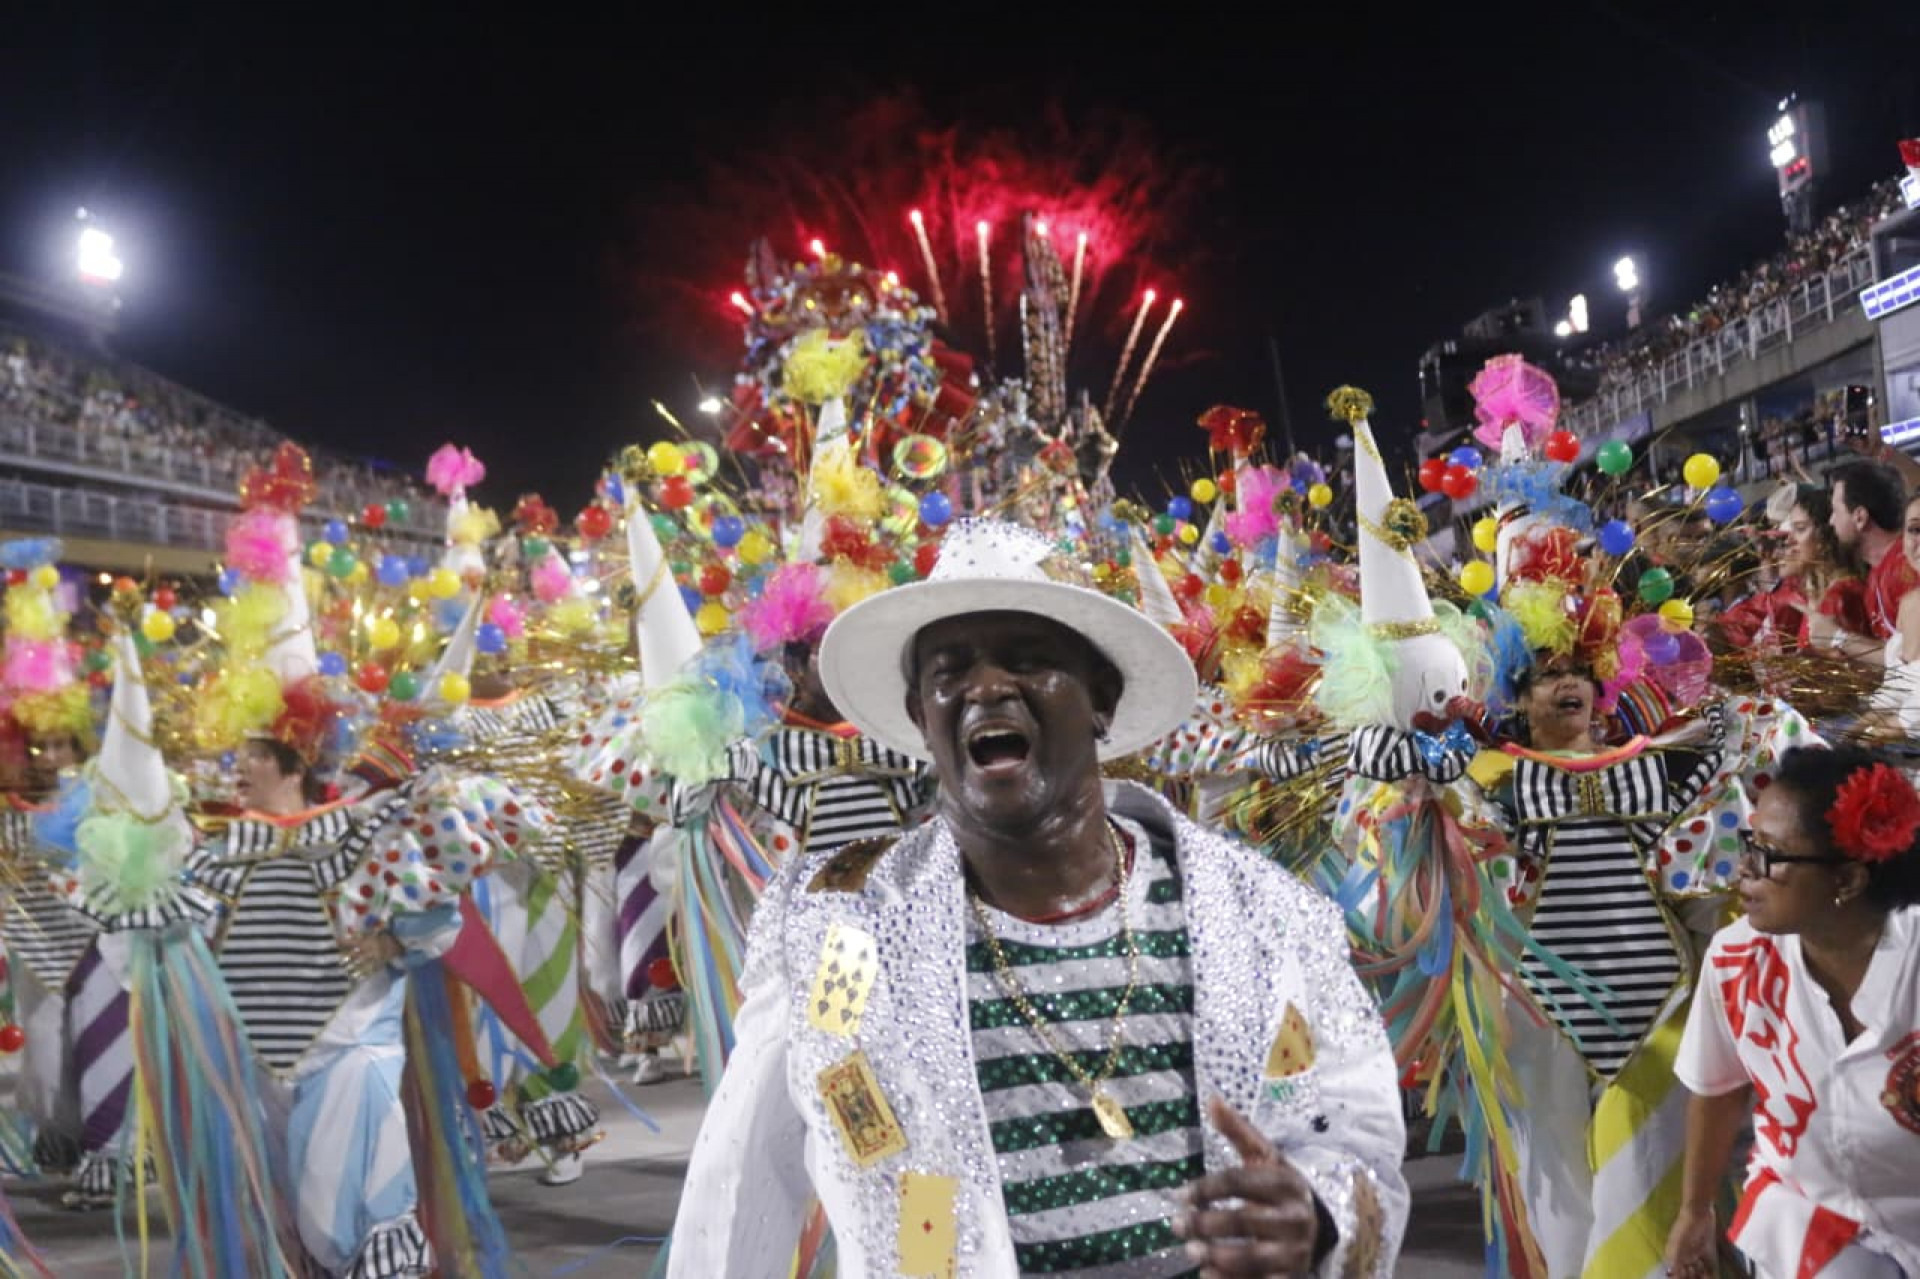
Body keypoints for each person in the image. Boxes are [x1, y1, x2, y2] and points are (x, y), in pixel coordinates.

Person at [670, 518, 1407, 1277]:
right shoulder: (837, 927)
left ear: (1101, 701)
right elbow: (737, 1197)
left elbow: (1355, 1130)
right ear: (924, 717)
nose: (987, 687)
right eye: (949, 671)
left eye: (1030, 660)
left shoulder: (1257, 910)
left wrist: (1319, 1218)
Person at [1665, 745, 1920, 1278]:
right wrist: (1695, 1212)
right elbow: (1717, 1088)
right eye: (1749, 844)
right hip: (1812, 1212)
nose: (1745, 869)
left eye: (1770, 854)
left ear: (1847, 881)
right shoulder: (1738, 959)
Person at [1828, 459, 1916, 647]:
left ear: (1859, 517)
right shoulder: (1879, 572)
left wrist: (1839, 639)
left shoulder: (1904, 567)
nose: (1831, 521)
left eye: (1835, 511)